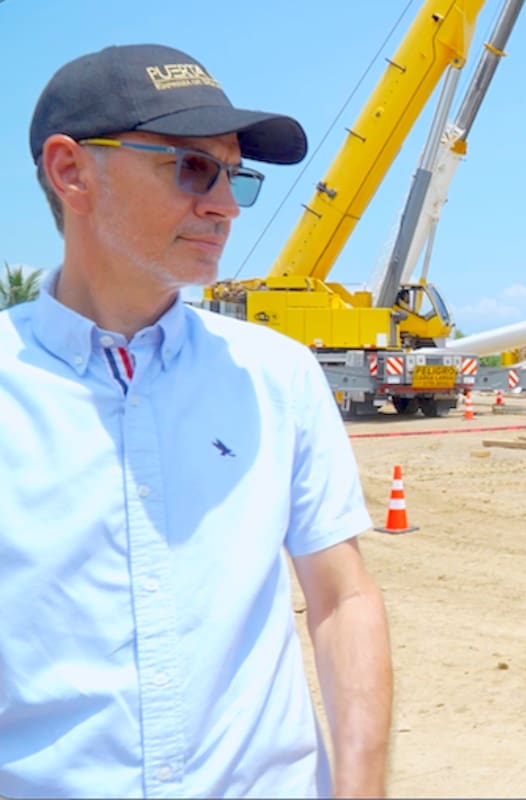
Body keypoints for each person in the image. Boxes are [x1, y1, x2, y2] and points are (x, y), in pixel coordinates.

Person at [0, 44, 393, 797]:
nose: (227, 205)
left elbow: (343, 598)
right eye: (191, 168)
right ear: (71, 170)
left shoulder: (275, 376)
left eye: (233, 174)